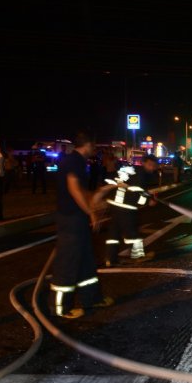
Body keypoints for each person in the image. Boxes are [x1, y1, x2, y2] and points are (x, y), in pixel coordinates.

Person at [51, 131, 112, 319]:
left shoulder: (78, 162)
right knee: (68, 263)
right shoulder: (74, 161)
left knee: (86, 260)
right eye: (94, 146)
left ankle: (91, 298)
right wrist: (91, 212)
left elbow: (82, 191)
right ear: (88, 145)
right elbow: (74, 188)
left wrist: (95, 202)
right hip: (70, 219)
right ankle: (61, 308)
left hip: (76, 219)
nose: (96, 149)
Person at [100, 163, 155, 267]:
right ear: (147, 163)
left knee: (113, 234)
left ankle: (110, 258)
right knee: (132, 232)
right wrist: (148, 201)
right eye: (153, 166)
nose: (154, 168)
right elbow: (138, 192)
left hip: (114, 207)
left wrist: (148, 195)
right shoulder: (140, 174)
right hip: (126, 208)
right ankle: (138, 256)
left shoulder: (125, 172)